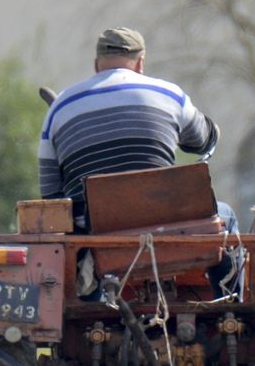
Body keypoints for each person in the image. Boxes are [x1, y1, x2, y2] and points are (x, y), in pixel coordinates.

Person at [38, 27, 236, 233]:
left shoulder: (60, 107)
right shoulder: (169, 95)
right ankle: (226, 266)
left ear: (97, 65)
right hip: (163, 224)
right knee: (226, 214)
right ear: (140, 62)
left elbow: (50, 194)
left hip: (89, 234)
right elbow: (202, 141)